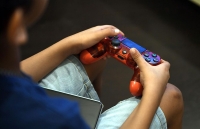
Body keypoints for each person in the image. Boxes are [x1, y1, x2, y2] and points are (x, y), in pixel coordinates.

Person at [0, 0, 184, 128]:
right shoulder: (60, 118)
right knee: (170, 96)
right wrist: (154, 90)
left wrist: (69, 45)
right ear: (15, 26)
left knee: (91, 59)